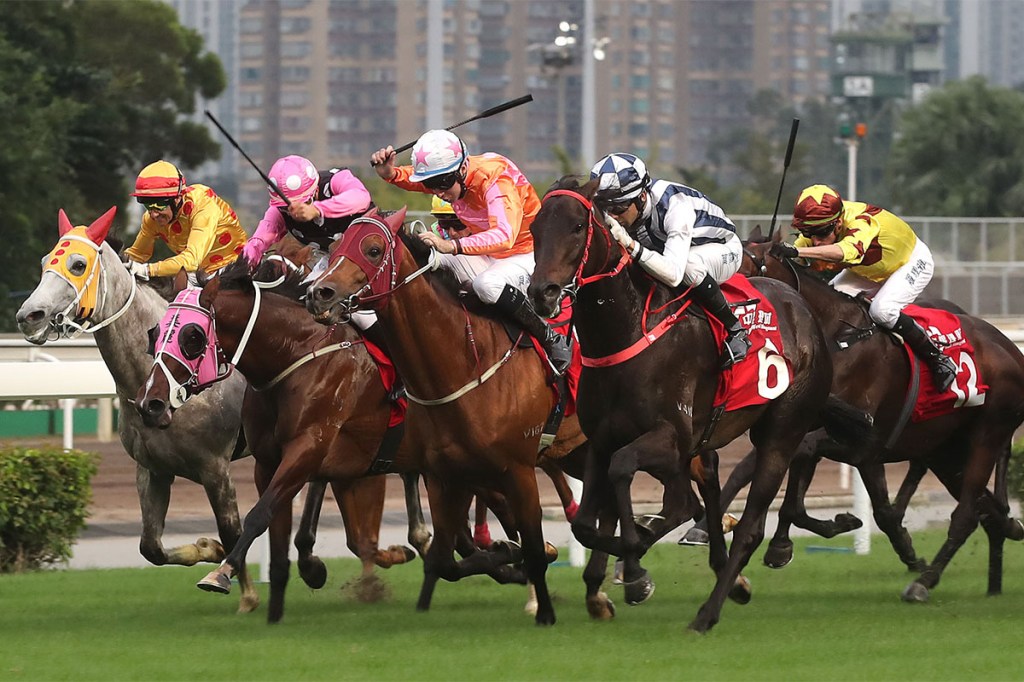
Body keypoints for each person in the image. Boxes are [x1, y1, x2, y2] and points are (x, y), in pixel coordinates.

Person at [369, 129, 572, 374]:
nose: (437, 192)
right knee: (427, 260)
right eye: (430, 184)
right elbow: (423, 179)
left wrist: (453, 246)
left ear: (463, 168)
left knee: (487, 285)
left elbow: (505, 237)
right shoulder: (450, 177)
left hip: (527, 254)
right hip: (489, 255)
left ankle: (551, 338)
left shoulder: (495, 178)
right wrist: (391, 174)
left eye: (442, 183)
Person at [770, 184, 957, 392]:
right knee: (831, 304)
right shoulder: (820, 225)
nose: (815, 241)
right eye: (808, 233)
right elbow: (796, 258)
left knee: (882, 311)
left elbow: (847, 252)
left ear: (838, 223)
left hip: (908, 263)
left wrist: (797, 252)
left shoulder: (861, 221)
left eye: (821, 233)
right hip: (868, 270)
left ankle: (938, 358)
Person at [589, 153, 750, 368]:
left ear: (642, 197)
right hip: (669, 248)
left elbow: (674, 274)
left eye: (619, 209)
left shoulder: (675, 205)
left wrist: (631, 244)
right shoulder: (630, 207)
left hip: (721, 248)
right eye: (606, 210)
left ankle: (736, 330)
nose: (613, 217)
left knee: (689, 267)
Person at [241, 154, 374, 281]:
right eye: (285, 208)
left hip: (372, 251)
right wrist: (240, 270)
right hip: (332, 258)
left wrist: (316, 209)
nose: (293, 212)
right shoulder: (278, 211)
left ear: (316, 190)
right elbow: (257, 243)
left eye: (303, 203)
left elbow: (361, 197)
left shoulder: (336, 180)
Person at [125, 160, 247, 279]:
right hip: (199, 273)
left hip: (233, 268)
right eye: (147, 205)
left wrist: (148, 270)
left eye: (159, 205)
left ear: (177, 198)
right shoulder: (151, 219)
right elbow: (137, 255)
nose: (154, 214)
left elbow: (191, 261)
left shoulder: (203, 208)